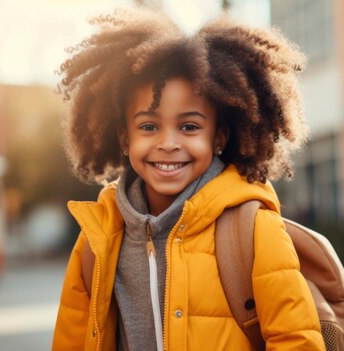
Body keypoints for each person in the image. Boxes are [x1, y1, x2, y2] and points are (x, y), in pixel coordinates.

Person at [53, 8, 323, 351]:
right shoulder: (99, 236)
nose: (168, 143)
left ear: (219, 137)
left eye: (189, 126)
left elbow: (297, 342)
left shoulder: (252, 229)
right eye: (149, 126)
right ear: (124, 139)